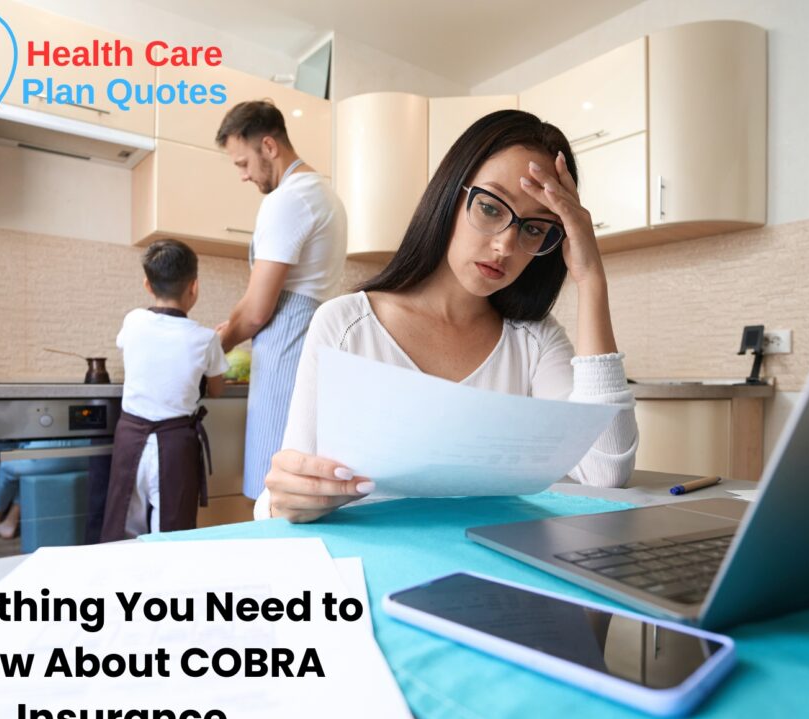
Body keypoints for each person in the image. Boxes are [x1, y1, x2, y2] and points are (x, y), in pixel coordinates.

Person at [257, 110, 639, 523]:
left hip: (492, 569)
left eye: (534, 229)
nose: (505, 246)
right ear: (450, 196)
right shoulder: (346, 324)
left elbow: (605, 471)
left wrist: (591, 278)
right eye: (491, 209)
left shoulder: (535, 341)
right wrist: (283, 501)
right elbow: (282, 498)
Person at [214, 100, 348, 501]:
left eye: (243, 163)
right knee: (302, 487)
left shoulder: (287, 199)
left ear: (269, 147)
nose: (243, 175)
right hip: (312, 345)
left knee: (274, 487)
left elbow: (257, 310)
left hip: (287, 350)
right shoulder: (324, 193)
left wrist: (217, 344)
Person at [100, 239, 228, 540]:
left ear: (147, 284)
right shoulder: (205, 338)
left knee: (122, 527)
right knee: (172, 534)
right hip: (174, 446)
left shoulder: (133, 321)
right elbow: (218, 389)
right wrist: (218, 344)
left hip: (130, 439)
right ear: (194, 287)